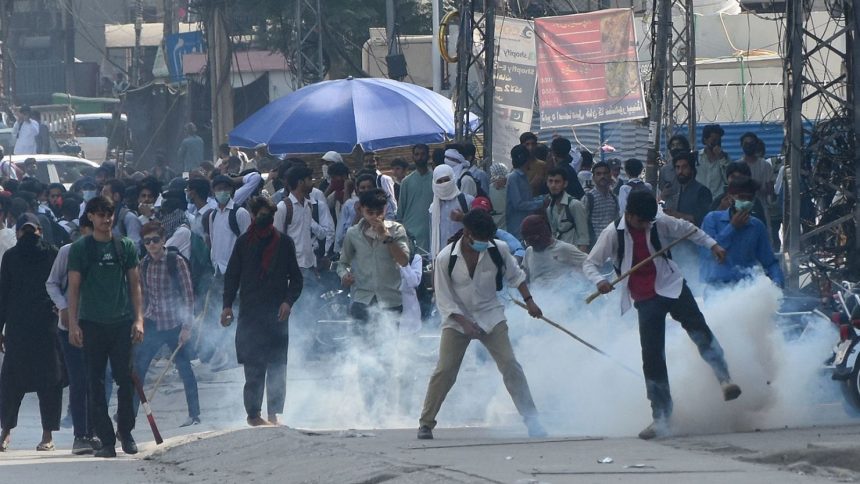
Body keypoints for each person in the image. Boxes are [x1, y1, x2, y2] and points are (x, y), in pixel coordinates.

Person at [583, 190, 741, 440]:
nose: (646, 225)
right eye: (641, 221)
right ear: (629, 214)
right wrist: (600, 281)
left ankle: (724, 378)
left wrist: (714, 245)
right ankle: (661, 417)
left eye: (649, 220)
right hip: (645, 299)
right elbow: (589, 263)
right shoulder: (613, 234)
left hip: (673, 286)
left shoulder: (660, 221)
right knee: (653, 356)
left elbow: (690, 230)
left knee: (699, 330)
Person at [417, 209, 547, 440]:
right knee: (445, 370)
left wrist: (530, 302)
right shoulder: (446, 258)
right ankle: (426, 423)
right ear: (466, 233)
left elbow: (516, 277)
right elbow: (444, 299)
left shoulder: (499, 249)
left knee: (510, 366)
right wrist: (464, 323)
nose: (483, 244)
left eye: (486, 239)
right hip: (457, 319)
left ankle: (532, 420)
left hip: (490, 314)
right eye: (479, 239)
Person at [66, 196, 144, 457]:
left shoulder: (125, 246)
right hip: (91, 325)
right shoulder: (80, 249)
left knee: (126, 381)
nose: (105, 218)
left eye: (109, 213)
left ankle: (126, 433)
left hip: (121, 323)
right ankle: (107, 441)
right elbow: (73, 289)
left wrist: (139, 319)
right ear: (90, 217)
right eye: (100, 214)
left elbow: (135, 286)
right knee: (95, 384)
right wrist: (74, 324)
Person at [222, 197, 302, 426]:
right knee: (254, 366)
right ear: (252, 215)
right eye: (258, 213)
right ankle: (254, 415)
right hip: (250, 315)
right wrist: (227, 305)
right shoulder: (244, 242)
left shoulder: (285, 243)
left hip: (277, 315)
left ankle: (273, 414)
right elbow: (232, 276)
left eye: (266, 212)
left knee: (277, 366)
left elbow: (296, 279)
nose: (261, 216)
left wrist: (288, 301)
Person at [0, 214, 62, 452]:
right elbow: (3, 293)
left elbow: (63, 285)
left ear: (40, 232)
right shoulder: (11, 257)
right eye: (24, 232)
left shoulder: (52, 254)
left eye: (32, 231)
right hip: (17, 327)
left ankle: (47, 435)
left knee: (50, 382)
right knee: (11, 383)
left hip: (47, 326)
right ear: (17, 234)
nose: (28, 236)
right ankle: (5, 431)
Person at [133, 222, 200, 427]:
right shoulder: (143, 264)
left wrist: (187, 327)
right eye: (147, 241)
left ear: (163, 240)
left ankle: (194, 414)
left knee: (184, 368)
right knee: (139, 368)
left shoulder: (176, 261)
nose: (151, 244)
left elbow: (188, 295)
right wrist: (141, 320)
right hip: (153, 321)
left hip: (174, 323)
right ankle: (131, 414)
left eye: (155, 240)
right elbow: (143, 295)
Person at [337, 188, 410, 329]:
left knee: (388, 346)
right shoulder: (353, 234)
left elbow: (404, 261)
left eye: (379, 213)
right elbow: (343, 263)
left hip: (390, 301)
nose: (375, 217)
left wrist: (386, 237)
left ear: (386, 209)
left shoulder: (397, 230)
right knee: (360, 348)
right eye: (370, 213)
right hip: (362, 299)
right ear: (361, 209)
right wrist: (345, 274)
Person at [701, 177, 784, 288]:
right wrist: (732, 227)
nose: (745, 202)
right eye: (741, 197)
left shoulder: (757, 226)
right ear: (730, 197)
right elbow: (709, 253)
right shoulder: (712, 219)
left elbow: (769, 262)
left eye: (749, 198)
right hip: (717, 288)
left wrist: (777, 281)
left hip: (746, 289)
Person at [520, 214, 586, 286]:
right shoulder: (529, 252)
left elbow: (590, 264)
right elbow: (523, 278)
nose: (531, 244)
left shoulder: (564, 249)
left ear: (543, 234)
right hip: (537, 295)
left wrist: (577, 278)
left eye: (532, 240)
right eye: (527, 241)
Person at [396, 143, 433, 253]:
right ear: (413, 157)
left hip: (431, 231)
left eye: (423, 154)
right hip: (411, 233)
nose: (420, 157)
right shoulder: (406, 182)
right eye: (417, 154)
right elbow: (400, 212)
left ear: (428, 156)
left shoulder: (436, 179)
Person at [430, 165, 473, 256]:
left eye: (446, 180)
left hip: (465, 255)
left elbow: (479, 225)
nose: (444, 184)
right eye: (440, 181)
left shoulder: (467, 201)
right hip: (442, 257)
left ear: (452, 179)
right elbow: (432, 236)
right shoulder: (433, 208)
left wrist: (463, 218)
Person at [663, 152, 712, 227]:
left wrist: (676, 215)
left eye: (684, 167)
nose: (680, 171)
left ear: (692, 169)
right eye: (678, 167)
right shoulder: (678, 190)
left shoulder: (702, 191)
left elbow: (704, 219)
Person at [545, 167, 588, 251]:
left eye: (557, 182)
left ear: (565, 184)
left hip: (574, 256)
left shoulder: (575, 205)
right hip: (559, 256)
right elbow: (554, 236)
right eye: (550, 181)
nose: (553, 185)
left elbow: (584, 239)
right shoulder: (550, 209)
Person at [506, 145, 543, 240]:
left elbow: (527, 199)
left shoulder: (524, 177)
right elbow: (518, 204)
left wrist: (542, 199)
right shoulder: (513, 177)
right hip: (516, 227)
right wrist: (540, 203)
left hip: (527, 224)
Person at [583, 161, 619, 247]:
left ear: (610, 176)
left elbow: (616, 221)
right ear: (593, 177)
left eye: (605, 173)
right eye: (598, 174)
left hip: (611, 244)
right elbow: (582, 225)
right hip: (594, 245)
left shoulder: (614, 198)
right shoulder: (588, 198)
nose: (602, 176)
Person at [102, 179, 143, 245]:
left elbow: (135, 247)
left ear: (116, 196)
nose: (101, 197)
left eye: (105, 193)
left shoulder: (129, 218)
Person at [697, 124, 730, 200]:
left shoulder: (725, 158)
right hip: (699, 200)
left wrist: (722, 158)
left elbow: (728, 179)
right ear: (705, 140)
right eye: (714, 140)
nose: (717, 143)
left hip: (718, 200)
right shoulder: (697, 157)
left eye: (719, 140)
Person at [363, 151, 398, 216]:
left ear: (377, 162)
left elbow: (391, 200)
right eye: (366, 161)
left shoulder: (384, 179)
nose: (368, 164)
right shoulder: (362, 180)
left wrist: (394, 216)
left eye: (371, 161)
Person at [658, 134, 692, 201]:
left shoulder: (693, 167)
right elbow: (662, 192)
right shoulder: (664, 170)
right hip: (671, 207)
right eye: (673, 146)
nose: (675, 148)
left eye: (679, 145)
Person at [487, 161, 509, 230]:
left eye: (500, 177)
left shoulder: (509, 189)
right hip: (492, 224)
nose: (497, 179)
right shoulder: (488, 189)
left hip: (505, 224)